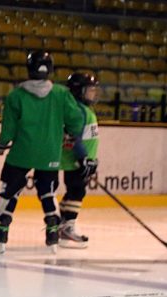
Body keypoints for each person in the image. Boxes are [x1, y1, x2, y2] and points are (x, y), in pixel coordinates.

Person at [0, 51, 87, 254]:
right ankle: (52, 232)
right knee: (47, 191)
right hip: (49, 152)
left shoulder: (16, 95)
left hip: (22, 151)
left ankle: (1, 233)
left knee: (10, 189)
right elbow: (76, 120)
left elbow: (8, 131)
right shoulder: (61, 94)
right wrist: (70, 134)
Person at [59, 72, 100, 249]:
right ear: (78, 91)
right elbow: (74, 137)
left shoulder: (82, 109)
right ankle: (67, 228)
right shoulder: (78, 110)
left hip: (81, 161)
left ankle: (61, 225)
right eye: (89, 90)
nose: (93, 94)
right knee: (77, 192)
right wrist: (84, 158)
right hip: (77, 161)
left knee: (72, 192)